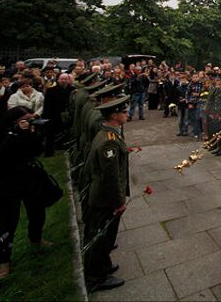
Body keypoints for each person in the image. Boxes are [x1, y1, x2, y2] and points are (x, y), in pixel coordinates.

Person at [0, 106, 53, 280]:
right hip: (7, 181)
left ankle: (36, 239)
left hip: (29, 177)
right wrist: (14, 134)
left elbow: (37, 151)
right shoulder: (4, 133)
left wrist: (34, 133)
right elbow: (0, 156)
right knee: (8, 221)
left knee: (37, 211)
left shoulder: (29, 131)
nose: (29, 122)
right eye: (25, 119)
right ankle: (3, 261)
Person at [82, 95, 130, 292]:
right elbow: (110, 178)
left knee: (105, 236)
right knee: (102, 237)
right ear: (114, 115)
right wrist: (119, 202)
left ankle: (103, 265)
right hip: (105, 198)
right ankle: (96, 277)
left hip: (102, 195)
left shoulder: (109, 133)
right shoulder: (109, 141)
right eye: (124, 111)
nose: (127, 114)